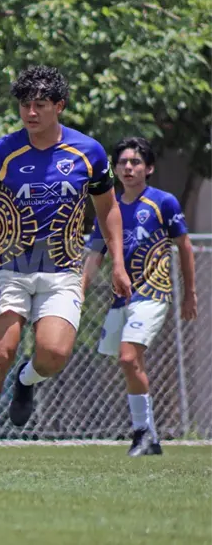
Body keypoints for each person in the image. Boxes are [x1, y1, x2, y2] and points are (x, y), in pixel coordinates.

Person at [0, 65, 131, 460]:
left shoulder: (88, 152)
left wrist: (118, 263)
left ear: (60, 105)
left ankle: (26, 381)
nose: (31, 112)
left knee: (53, 355)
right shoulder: (3, 151)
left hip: (63, 270)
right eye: (25, 105)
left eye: (40, 104)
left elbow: (108, 209)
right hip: (10, 268)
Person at [82, 136, 196, 457]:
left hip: (153, 294)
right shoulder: (108, 209)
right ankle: (151, 438)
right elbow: (94, 256)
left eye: (135, 162)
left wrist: (190, 293)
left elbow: (184, 247)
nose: (128, 168)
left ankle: (141, 432)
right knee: (131, 364)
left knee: (128, 357)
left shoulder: (163, 202)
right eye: (122, 163)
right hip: (122, 299)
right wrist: (78, 294)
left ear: (149, 168)